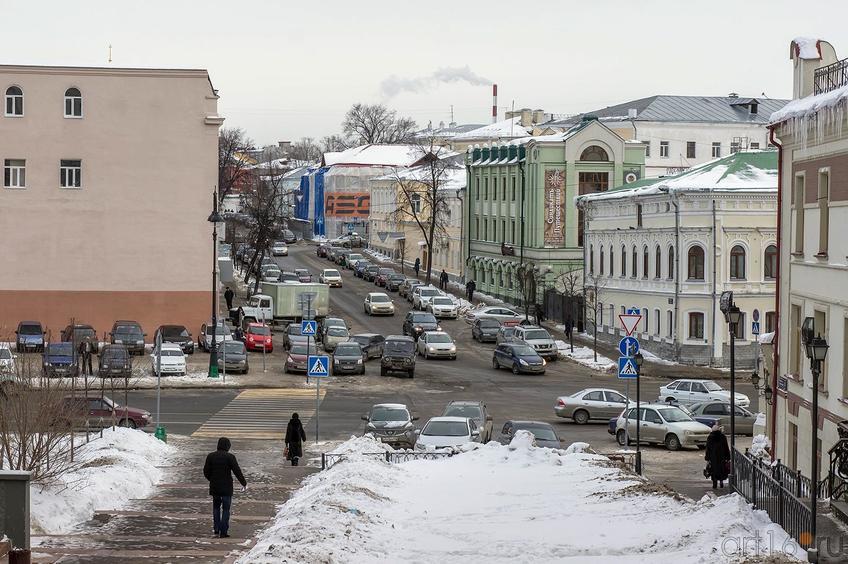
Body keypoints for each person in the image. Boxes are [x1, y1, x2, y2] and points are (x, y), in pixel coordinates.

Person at [203, 437, 247, 538]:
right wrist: (243, 483)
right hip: (227, 487)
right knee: (226, 509)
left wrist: (212, 479)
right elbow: (237, 471)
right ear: (228, 446)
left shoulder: (211, 456)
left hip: (215, 487)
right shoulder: (230, 457)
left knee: (216, 508)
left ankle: (217, 528)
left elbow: (206, 471)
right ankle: (224, 531)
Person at [704, 424, 731, 489]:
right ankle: (721, 482)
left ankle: (714, 483)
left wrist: (707, 458)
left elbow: (708, 448)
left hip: (713, 458)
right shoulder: (722, 436)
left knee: (713, 470)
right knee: (722, 470)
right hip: (722, 456)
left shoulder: (710, 437)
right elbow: (726, 447)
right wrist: (728, 456)